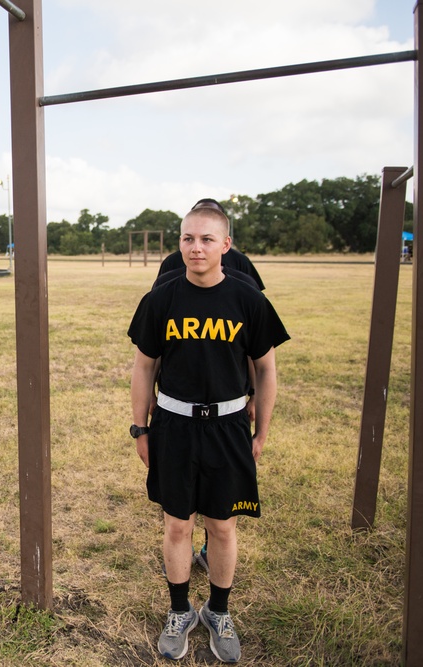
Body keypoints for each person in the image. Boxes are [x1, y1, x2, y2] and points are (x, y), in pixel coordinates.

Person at [128, 199, 289, 662]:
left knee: (221, 525)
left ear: (226, 245)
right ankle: (180, 610)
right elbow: (143, 367)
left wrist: (261, 432)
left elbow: (266, 370)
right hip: (174, 425)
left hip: (228, 425)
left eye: (206, 239)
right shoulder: (161, 298)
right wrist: (141, 428)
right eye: (187, 238)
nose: (195, 248)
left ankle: (219, 611)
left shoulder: (249, 300)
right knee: (177, 524)